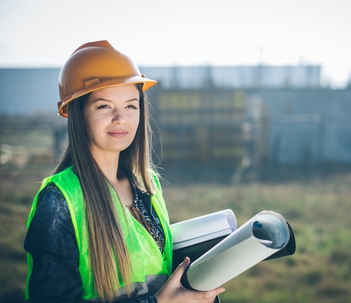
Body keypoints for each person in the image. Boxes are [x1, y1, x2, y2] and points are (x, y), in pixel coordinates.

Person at [23, 40, 225, 303]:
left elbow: (159, 270)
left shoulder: (147, 185)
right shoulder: (59, 203)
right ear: (77, 113)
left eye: (131, 105)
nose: (121, 118)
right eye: (104, 106)